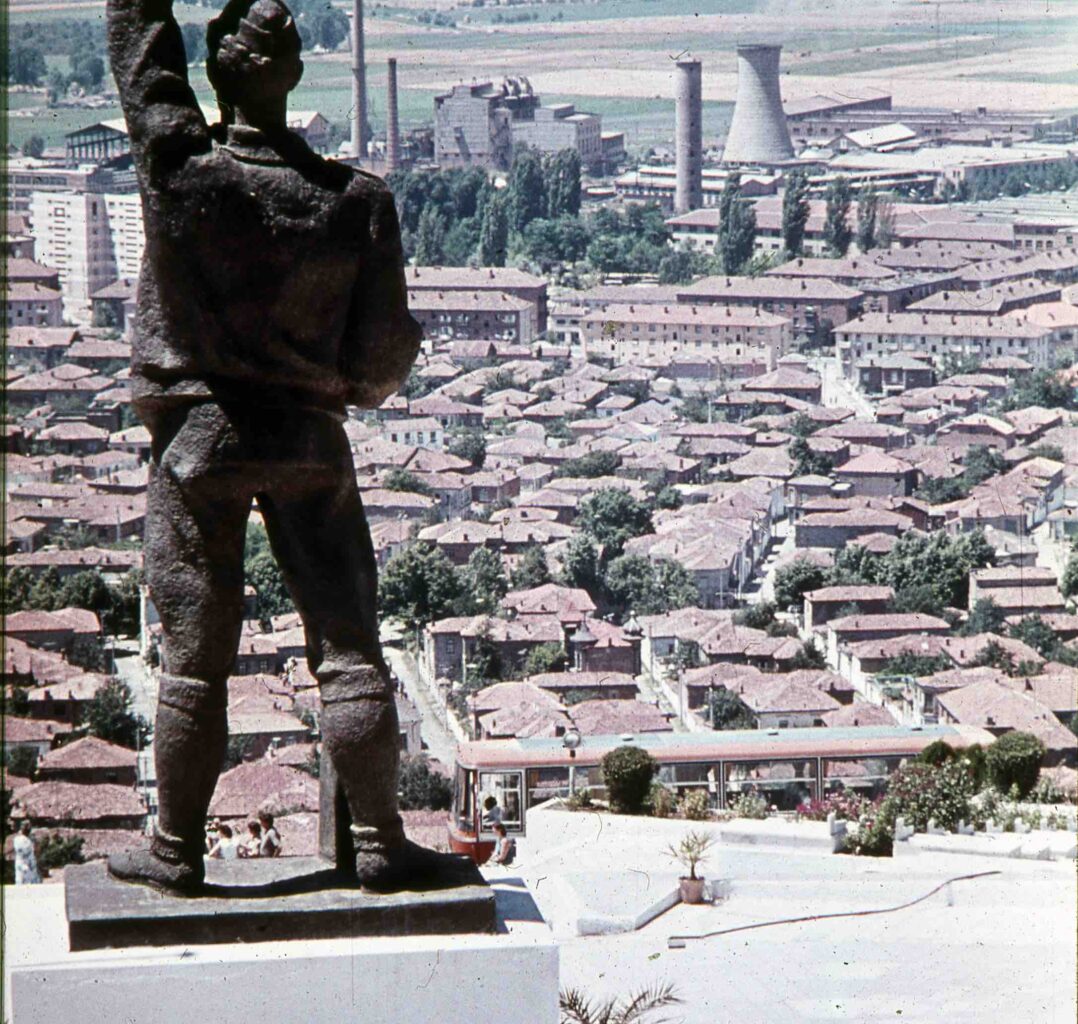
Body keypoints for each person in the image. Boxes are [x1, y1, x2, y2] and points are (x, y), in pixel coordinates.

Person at [104, 0, 428, 895]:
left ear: (219, 73)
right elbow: (382, 356)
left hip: (199, 440)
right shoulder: (356, 203)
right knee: (350, 644)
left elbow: (144, 62)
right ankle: (378, 844)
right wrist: (333, 389)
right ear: (293, 73)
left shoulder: (182, 172)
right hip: (310, 439)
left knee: (194, 655)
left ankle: (175, 852)